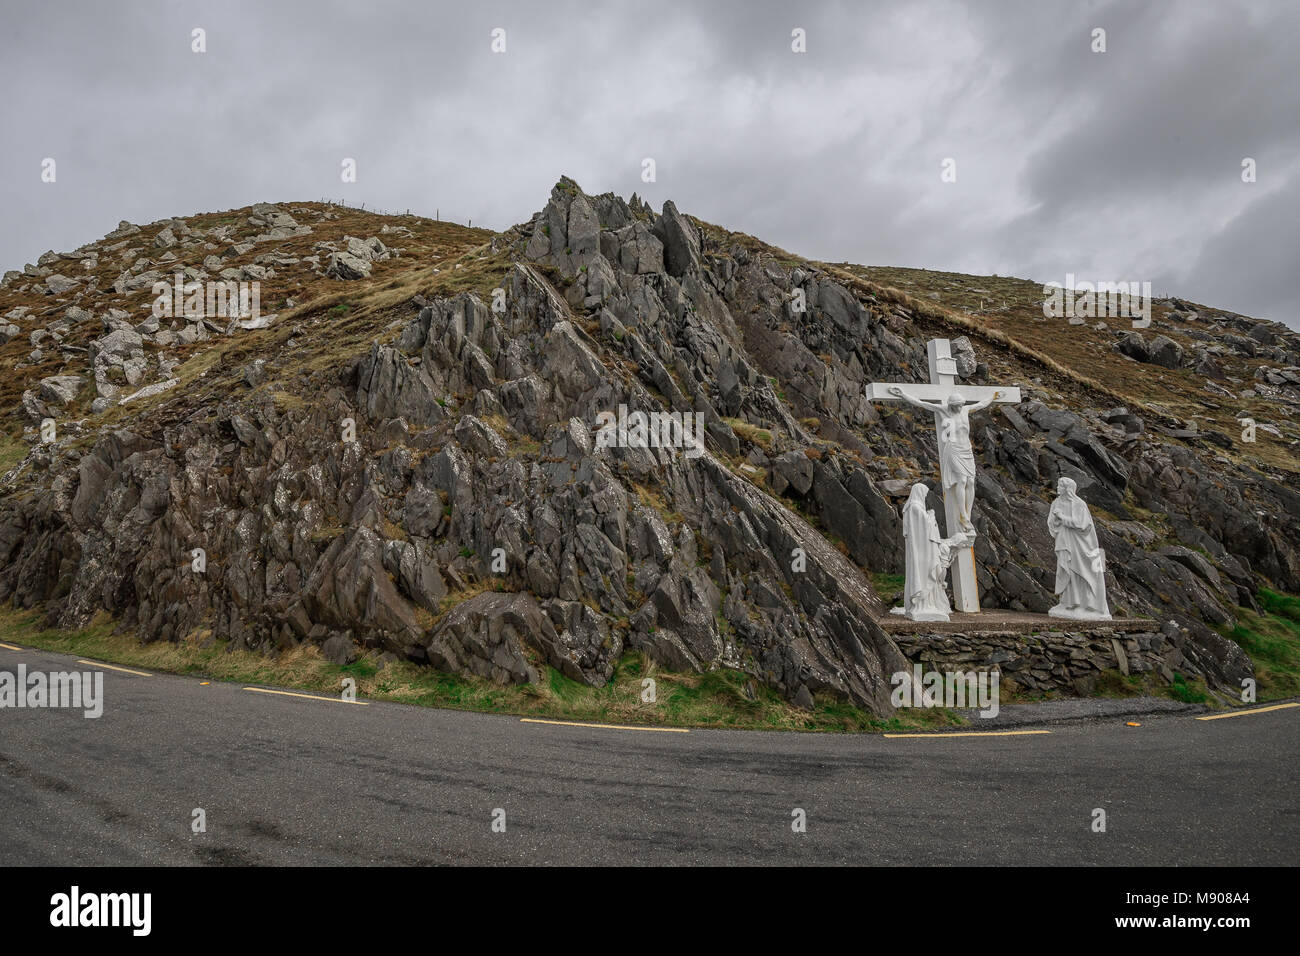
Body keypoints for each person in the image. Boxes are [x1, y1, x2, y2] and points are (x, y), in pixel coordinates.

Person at [887, 387, 1003, 532]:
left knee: (971, 481)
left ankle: (967, 512)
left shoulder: (965, 410)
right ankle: (963, 515)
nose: (959, 407)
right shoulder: (943, 410)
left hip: (966, 449)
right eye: (957, 405)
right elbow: (921, 404)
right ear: (951, 405)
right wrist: (903, 394)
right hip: (953, 449)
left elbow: (981, 404)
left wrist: (993, 397)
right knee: (961, 480)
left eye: (961, 404)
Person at [892, 483, 970, 622]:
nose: (925, 496)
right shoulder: (915, 507)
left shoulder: (912, 507)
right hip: (923, 549)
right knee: (925, 574)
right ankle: (923, 604)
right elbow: (924, 528)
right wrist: (931, 516)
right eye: (925, 493)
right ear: (919, 492)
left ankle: (927, 603)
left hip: (923, 547)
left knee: (929, 574)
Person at [1047, 477, 1112, 620]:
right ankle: (1068, 603)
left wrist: (1062, 517)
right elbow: (1051, 524)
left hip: (1080, 544)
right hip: (1064, 542)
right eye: (1057, 485)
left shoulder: (1079, 504)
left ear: (1068, 488)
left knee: (1080, 571)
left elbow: (1082, 524)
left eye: (1060, 485)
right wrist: (1056, 520)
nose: (1057, 487)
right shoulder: (1056, 503)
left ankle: (1084, 604)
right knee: (1067, 570)